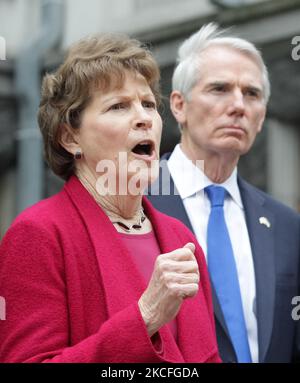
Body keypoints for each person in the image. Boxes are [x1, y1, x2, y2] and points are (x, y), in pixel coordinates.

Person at [0, 33, 221, 363]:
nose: (144, 117)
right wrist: (144, 317)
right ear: (70, 137)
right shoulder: (39, 234)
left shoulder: (180, 238)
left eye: (148, 104)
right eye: (118, 106)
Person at [147, 23, 300, 363]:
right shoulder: (132, 206)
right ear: (178, 106)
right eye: (219, 89)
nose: (238, 106)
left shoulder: (286, 225)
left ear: (261, 119)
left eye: (252, 94)